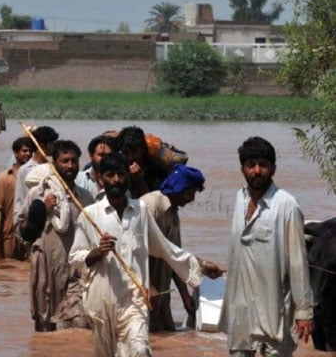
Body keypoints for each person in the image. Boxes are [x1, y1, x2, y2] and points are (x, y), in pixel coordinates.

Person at [69, 152, 224, 356]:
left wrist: (201, 265)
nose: (116, 180)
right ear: (100, 178)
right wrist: (97, 252)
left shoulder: (140, 210)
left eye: (121, 174)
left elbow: (165, 249)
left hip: (134, 301)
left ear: (128, 176)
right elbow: (75, 259)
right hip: (102, 304)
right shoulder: (90, 214)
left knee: (140, 350)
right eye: (110, 175)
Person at [219, 137, 314, 356]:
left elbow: (298, 262)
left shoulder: (287, 206)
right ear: (242, 168)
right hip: (241, 310)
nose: (257, 171)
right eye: (251, 165)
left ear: (273, 168)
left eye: (263, 165)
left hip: (274, 311)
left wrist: (304, 311)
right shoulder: (239, 199)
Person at [16, 140, 95, 332]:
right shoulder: (38, 193)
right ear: (54, 164)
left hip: (75, 269)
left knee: (78, 322)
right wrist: (42, 209)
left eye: (74, 161)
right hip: (46, 266)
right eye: (65, 161)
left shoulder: (85, 197)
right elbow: (21, 230)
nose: (70, 166)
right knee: (45, 324)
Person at [140, 164, 206, 332]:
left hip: (161, 296)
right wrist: (148, 285)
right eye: (190, 193)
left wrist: (185, 296)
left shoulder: (173, 213)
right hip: (144, 293)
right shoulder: (150, 205)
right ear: (179, 188)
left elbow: (175, 258)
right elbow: (135, 250)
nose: (192, 199)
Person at [0, 136, 33, 260]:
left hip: (29, 233)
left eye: (30, 151)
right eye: (24, 151)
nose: (28, 154)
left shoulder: (35, 177)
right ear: (15, 153)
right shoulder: (5, 178)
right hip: (9, 235)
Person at [13, 126, 59, 223]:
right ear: (42, 146)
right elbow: (20, 201)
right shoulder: (25, 170)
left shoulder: (53, 168)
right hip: (33, 221)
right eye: (52, 144)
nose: (54, 147)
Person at [75, 134, 118, 201]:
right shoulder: (78, 180)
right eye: (101, 155)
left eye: (109, 155)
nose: (105, 159)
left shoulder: (119, 181)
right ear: (91, 156)